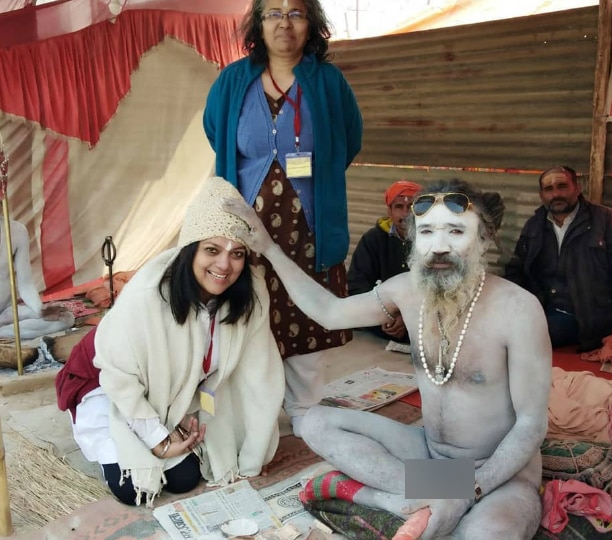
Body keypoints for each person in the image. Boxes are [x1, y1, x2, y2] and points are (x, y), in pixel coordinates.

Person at [223, 179, 552, 539]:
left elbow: (531, 425)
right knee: (313, 422)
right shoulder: (407, 289)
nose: (439, 247)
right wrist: (269, 249)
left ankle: (405, 498)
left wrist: (471, 489)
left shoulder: (519, 309)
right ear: (413, 239)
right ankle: (394, 499)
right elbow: (330, 312)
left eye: (456, 231)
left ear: (484, 239)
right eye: (427, 232)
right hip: (431, 460)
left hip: (499, 473)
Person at [57, 177, 284, 505]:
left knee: (184, 478)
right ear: (190, 249)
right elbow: (118, 375)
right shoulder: (148, 293)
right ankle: (103, 429)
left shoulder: (251, 292)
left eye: (237, 253)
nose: (224, 265)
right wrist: (158, 440)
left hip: (177, 389)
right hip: (108, 382)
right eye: (212, 250)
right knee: (133, 489)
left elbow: (260, 376)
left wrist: (254, 451)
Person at [203, 0, 363, 433]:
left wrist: (318, 177)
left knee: (306, 314)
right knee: (248, 314)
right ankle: (254, 417)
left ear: (311, 23)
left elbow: (349, 139)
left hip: (308, 226)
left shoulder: (328, 82)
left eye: (295, 13)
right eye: (273, 13)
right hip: (247, 223)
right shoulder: (233, 80)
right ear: (258, 23)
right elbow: (215, 133)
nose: (284, 23)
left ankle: (306, 413)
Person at [504, 166, 612, 357]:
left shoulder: (606, 221)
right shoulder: (535, 225)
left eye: (562, 186)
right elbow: (517, 273)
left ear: (577, 188)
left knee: (523, 334)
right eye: (549, 189)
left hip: (585, 319)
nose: (556, 194)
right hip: (542, 311)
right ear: (542, 195)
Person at [347, 180, 422, 344]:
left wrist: (407, 314)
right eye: (399, 207)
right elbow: (357, 282)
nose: (405, 215)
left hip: (423, 322)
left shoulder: (432, 241)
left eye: (411, 208)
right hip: (381, 323)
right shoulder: (373, 239)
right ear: (389, 211)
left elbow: (439, 289)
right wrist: (385, 314)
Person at [0, 218, 74, 340]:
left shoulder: (17, 231)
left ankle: (4, 332)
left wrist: (41, 311)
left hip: (6, 312)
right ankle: (8, 332)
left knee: (66, 319)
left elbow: (26, 285)